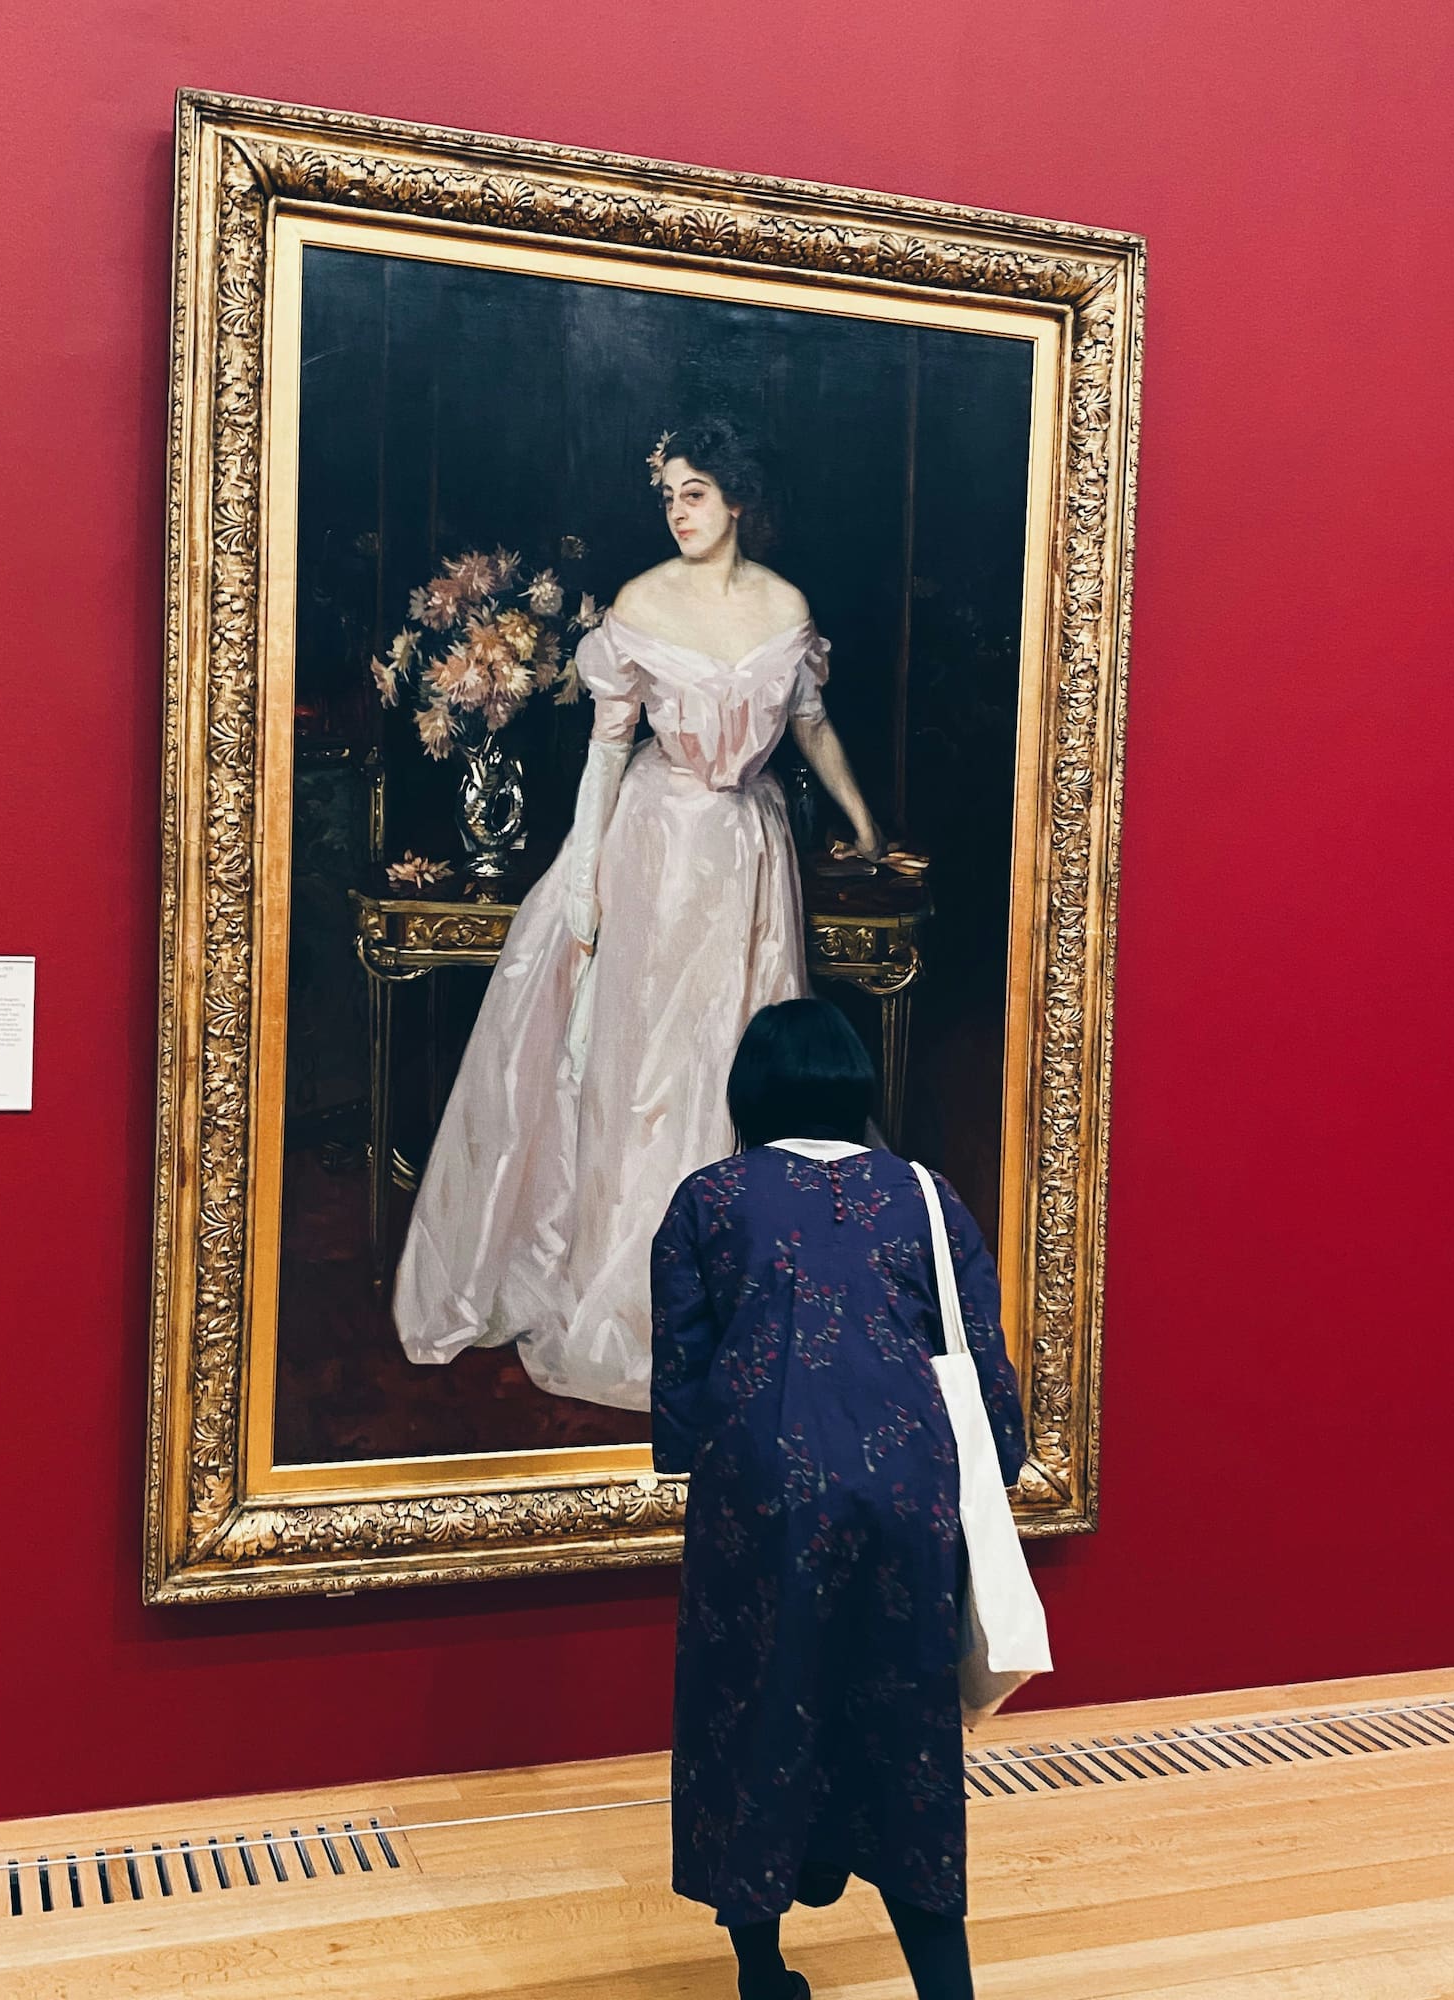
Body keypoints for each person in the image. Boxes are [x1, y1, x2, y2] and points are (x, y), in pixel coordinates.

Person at [395, 419, 885, 1409]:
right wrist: (584, 877)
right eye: (667, 496)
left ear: (736, 498)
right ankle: (639, 1290)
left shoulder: (785, 606)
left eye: (694, 493)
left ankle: (746, 1284)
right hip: (656, 845)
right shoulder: (639, 603)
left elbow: (811, 725)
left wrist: (864, 821)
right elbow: (607, 752)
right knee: (649, 1067)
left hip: (749, 853)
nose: (677, 512)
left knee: (742, 1056)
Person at [650, 998, 1027, 2000]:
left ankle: (762, 1968)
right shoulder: (925, 1193)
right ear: (855, 1083)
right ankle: (944, 1982)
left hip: (762, 1491)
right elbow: (978, 1348)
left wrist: (701, 1453)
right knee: (904, 1728)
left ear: (751, 1091)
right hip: (910, 1487)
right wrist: (998, 1462)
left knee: (755, 1705)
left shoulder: (709, 1197)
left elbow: (682, 1380)